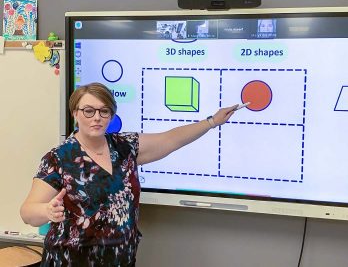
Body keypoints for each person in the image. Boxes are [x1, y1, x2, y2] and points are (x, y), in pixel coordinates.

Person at [20, 82, 237, 266]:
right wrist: (47, 211)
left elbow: (171, 139)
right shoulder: (59, 158)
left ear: (111, 115)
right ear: (75, 113)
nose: (97, 117)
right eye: (88, 110)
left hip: (121, 259)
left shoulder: (125, 146)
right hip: (71, 260)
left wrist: (212, 122)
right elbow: (27, 212)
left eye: (104, 111)